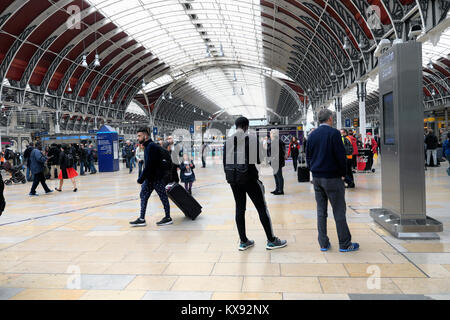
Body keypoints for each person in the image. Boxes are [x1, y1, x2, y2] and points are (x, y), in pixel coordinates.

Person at [224, 116, 287, 251]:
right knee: (261, 208)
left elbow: (225, 161)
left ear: (236, 126)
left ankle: (243, 241)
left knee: (239, 209)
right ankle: (271, 240)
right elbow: (260, 159)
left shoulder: (228, 141)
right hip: (249, 178)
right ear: (246, 127)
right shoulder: (251, 139)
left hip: (233, 180)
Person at [306, 109, 359, 252]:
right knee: (339, 210)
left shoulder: (312, 135)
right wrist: (343, 174)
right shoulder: (334, 133)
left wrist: (314, 170)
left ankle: (323, 243)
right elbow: (341, 157)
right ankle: (345, 244)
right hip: (333, 178)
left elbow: (308, 156)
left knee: (321, 211)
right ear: (330, 119)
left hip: (317, 178)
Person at [130, 127, 172, 227]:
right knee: (143, 196)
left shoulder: (151, 146)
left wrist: (140, 179)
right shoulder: (148, 146)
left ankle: (168, 217)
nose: (138, 138)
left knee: (163, 197)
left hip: (156, 178)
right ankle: (141, 218)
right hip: (150, 179)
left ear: (145, 136)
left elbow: (149, 165)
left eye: (139, 136)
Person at [269, 129, 286, 195]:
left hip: (277, 162)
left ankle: (280, 190)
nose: (270, 135)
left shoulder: (277, 141)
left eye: (271, 133)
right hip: (274, 162)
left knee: (279, 176)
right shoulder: (274, 141)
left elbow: (278, 153)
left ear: (274, 134)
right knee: (276, 176)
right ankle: (277, 189)